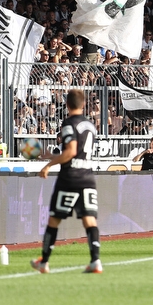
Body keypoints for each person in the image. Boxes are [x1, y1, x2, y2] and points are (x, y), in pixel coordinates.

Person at [31, 89, 103, 274]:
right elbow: (74, 152)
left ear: (67, 105)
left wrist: (48, 166)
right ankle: (95, 260)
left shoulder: (69, 124)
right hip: (87, 177)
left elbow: (70, 152)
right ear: (83, 104)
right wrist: (48, 156)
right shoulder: (90, 125)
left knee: (54, 220)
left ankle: (44, 261)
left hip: (70, 177)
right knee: (89, 220)